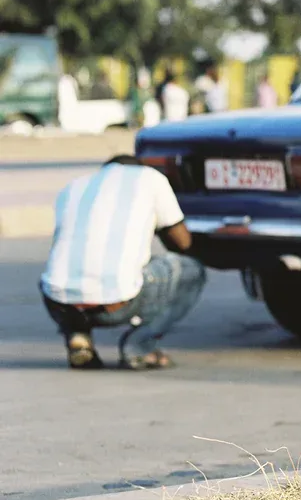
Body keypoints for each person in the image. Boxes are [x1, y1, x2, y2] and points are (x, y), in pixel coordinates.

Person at [39, 156, 205, 369]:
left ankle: (78, 337)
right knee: (191, 270)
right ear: (137, 168)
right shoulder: (150, 178)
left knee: (63, 271)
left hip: (58, 302)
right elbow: (182, 242)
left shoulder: (74, 185)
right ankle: (139, 347)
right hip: (117, 303)